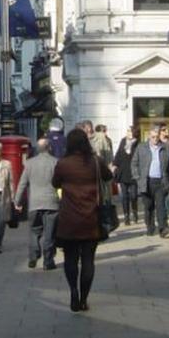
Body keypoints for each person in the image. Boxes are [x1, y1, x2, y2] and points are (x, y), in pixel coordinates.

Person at [52, 127, 112, 312]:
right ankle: (84, 298)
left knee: (70, 259)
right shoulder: (95, 161)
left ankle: (73, 292)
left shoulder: (63, 164)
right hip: (91, 218)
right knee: (88, 260)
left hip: (69, 218)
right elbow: (108, 176)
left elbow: (55, 183)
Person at [14, 138, 59, 270]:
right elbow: (61, 182)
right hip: (51, 203)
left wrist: (17, 201)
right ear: (49, 148)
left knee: (34, 231)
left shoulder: (29, 163)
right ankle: (48, 261)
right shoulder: (55, 162)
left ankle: (33, 256)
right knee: (49, 234)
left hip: (34, 203)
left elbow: (22, 184)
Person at [131, 125, 169, 237]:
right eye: (153, 137)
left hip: (160, 181)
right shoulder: (141, 148)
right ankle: (150, 227)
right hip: (146, 181)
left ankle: (163, 228)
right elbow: (134, 163)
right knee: (149, 206)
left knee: (161, 206)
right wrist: (137, 177)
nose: (155, 139)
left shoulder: (165, 148)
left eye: (156, 137)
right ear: (149, 137)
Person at [113, 126, 138, 224]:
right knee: (124, 196)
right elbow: (118, 154)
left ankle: (135, 213)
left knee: (134, 195)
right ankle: (126, 216)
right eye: (127, 131)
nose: (128, 133)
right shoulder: (123, 141)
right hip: (123, 172)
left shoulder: (137, 143)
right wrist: (114, 164)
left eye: (130, 131)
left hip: (133, 173)